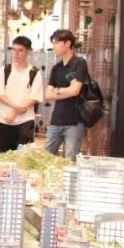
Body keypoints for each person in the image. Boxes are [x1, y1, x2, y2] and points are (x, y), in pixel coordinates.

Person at [44, 29, 90, 160]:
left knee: (70, 160)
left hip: (74, 121)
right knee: (46, 158)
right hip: (56, 119)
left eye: (56, 43)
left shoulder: (79, 63)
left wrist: (57, 91)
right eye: (53, 43)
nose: (54, 46)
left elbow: (75, 90)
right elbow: (48, 94)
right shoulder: (56, 68)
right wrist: (66, 90)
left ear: (68, 43)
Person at [0, 35, 45, 152]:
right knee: (5, 156)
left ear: (28, 51)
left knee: (23, 156)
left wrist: (14, 114)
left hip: (25, 121)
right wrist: (17, 107)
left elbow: (33, 98)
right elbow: (0, 94)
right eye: (14, 50)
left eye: (20, 50)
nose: (16, 54)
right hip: (4, 120)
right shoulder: (5, 70)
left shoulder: (34, 73)